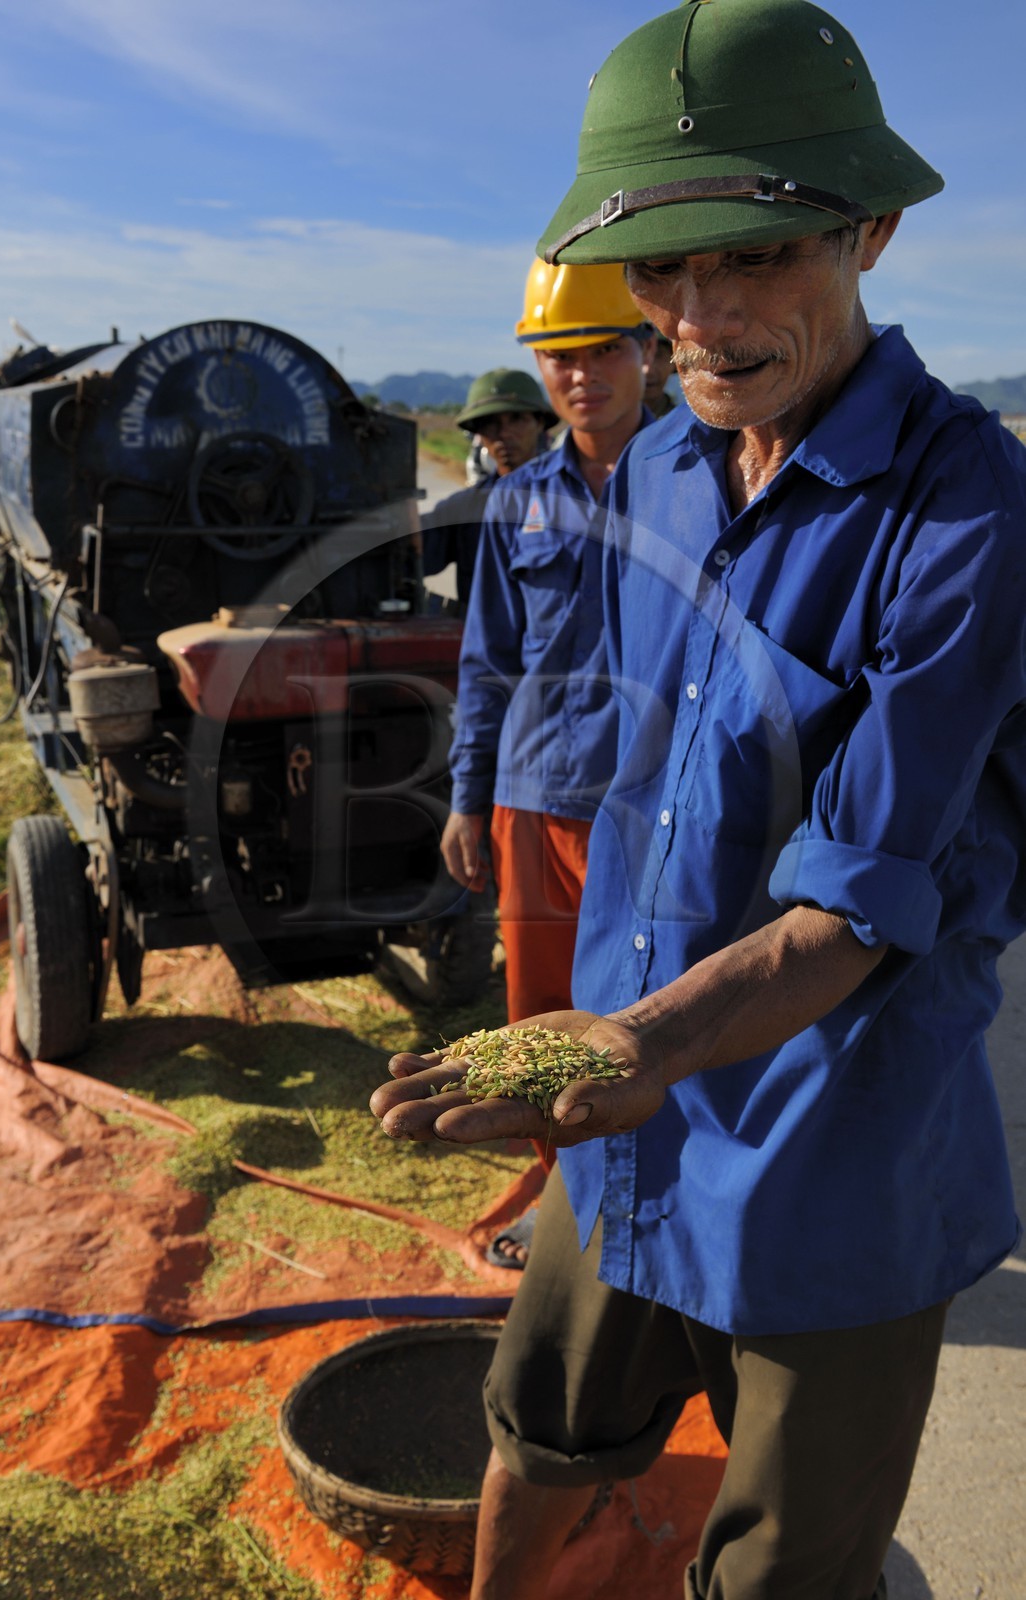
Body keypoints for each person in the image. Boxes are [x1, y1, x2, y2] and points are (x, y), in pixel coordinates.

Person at [372, 2, 1026, 1596]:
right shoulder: (660, 473)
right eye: (660, 271)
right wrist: (590, 1021)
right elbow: (644, 768)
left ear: (865, 230)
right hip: (614, 1121)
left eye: (754, 256)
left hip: (830, 1149)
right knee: (537, 1426)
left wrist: (642, 1042)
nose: (701, 315)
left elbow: (860, 893)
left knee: (786, 1561)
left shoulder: (963, 510)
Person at [439, 260, 656, 1265]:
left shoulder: (706, 482)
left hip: (654, 805)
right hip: (532, 796)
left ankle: (655, 1204)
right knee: (539, 1022)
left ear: (648, 348)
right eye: (559, 355)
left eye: (604, 347)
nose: (581, 374)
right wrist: (466, 798)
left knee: (648, 1010)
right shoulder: (517, 502)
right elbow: (485, 662)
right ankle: (562, 1203)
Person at [421, 368, 554, 616]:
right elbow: (410, 555)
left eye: (516, 419)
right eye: (490, 424)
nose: (504, 433)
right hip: (489, 648)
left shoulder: (571, 497)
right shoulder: (465, 509)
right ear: (478, 435)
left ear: (540, 423)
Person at [644, 329, 678, 418]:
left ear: (675, 363)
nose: (649, 370)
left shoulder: (685, 423)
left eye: (658, 355)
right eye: (642, 355)